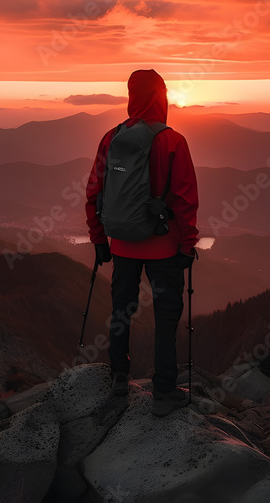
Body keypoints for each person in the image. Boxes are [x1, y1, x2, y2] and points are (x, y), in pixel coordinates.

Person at [85, 69, 199, 417]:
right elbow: (185, 200)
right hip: (163, 246)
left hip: (121, 246)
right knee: (166, 316)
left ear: (131, 96)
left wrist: (99, 239)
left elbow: (94, 193)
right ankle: (163, 391)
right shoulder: (173, 140)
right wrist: (186, 245)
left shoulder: (111, 137)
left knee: (122, 311)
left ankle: (119, 378)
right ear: (161, 97)